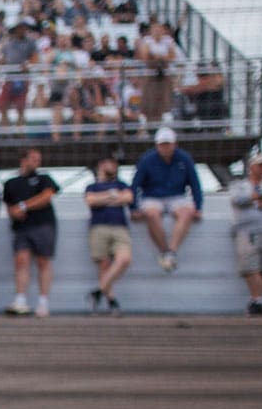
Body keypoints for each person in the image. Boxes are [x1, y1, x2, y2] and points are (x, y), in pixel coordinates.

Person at [134, 127, 203, 272]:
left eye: (168, 144)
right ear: (157, 145)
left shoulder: (184, 159)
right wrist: (134, 207)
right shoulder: (147, 160)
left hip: (177, 196)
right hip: (152, 197)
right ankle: (165, 251)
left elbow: (195, 183)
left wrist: (198, 206)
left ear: (175, 144)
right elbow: (135, 184)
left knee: (186, 213)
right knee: (152, 214)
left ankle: (171, 251)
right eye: (162, 144)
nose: (165, 148)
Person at [1, 147, 59, 317]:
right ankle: (20, 300)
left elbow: (47, 196)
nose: (37, 162)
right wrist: (15, 212)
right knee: (21, 260)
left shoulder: (44, 179)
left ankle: (43, 302)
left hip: (43, 225)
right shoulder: (11, 183)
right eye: (34, 158)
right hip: (21, 228)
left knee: (43, 262)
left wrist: (24, 206)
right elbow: (8, 206)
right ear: (23, 159)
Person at [225, 153, 262, 315]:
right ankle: (258, 300)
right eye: (259, 164)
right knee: (250, 266)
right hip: (247, 230)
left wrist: (257, 199)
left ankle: (257, 300)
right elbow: (237, 199)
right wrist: (259, 197)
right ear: (251, 167)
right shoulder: (239, 185)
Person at [83, 154, 135, 315]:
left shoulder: (121, 184)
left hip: (119, 227)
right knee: (103, 265)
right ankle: (111, 301)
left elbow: (128, 197)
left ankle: (98, 292)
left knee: (124, 259)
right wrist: (112, 196)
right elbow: (91, 200)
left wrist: (104, 199)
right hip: (99, 227)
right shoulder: (92, 186)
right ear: (101, 164)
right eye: (110, 162)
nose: (114, 166)